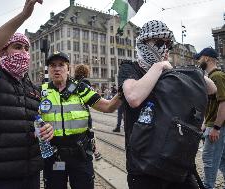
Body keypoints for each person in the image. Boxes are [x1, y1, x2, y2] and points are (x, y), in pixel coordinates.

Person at [119, 20, 217, 189]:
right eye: (158, 43)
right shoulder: (131, 68)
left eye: (168, 44)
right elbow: (133, 97)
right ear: (144, 43)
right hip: (143, 164)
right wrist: (159, 66)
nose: (164, 48)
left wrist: (183, 72)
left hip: (174, 156)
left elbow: (211, 88)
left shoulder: (171, 72)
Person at [0, 1, 53, 189]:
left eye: (26, 49)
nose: (24, 53)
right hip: (1, 175)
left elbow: (35, 121)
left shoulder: (30, 86)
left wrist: (47, 129)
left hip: (31, 171)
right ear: (3, 51)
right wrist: (24, 15)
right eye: (17, 47)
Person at [41, 51, 121, 189]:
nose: (57, 68)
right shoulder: (41, 91)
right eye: (53, 65)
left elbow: (108, 107)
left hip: (80, 155)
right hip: (54, 156)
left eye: (61, 65)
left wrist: (123, 91)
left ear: (68, 68)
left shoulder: (80, 88)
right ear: (49, 69)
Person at [195, 47, 225, 189]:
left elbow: (223, 103)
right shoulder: (212, 76)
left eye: (200, 58)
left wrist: (216, 128)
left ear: (206, 58)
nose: (198, 60)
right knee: (222, 160)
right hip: (212, 124)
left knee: (209, 159)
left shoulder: (216, 76)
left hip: (217, 126)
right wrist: (205, 123)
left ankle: (207, 187)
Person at [74, 64, 102, 161]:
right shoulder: (85, 83)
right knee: (89, 133)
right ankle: (95, 153)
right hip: (84, 112)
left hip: (74, 113)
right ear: (86, 73)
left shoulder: (73, 82)